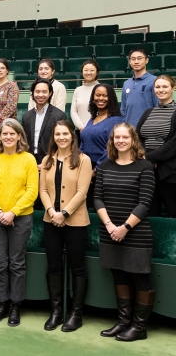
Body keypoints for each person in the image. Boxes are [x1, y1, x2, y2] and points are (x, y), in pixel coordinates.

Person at [95, 123, 156, 342]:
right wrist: (111, 226)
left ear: (133, 140)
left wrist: (125, 228)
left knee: (141, 279)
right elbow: (98, 198)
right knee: (119, 276)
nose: (120, 141)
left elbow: (145, 202)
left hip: (136, 234)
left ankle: (139, 327)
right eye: (116, 137)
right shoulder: (104, 166)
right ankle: (123, 322)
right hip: (110, 232)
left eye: (125, 137)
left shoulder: (145, 166)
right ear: (112, 141)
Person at [0, 119, 39, 327]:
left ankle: (16, 305)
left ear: (19, 136)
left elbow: (32, 191)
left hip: (21, 218)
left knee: (16, 263)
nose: (8, 137)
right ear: (0, 137)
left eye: (12, 134)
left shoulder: (29, 159)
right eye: (4, 134)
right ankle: (2, 303)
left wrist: (12, 213)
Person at [38, 121, 92, 332]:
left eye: (65, 134)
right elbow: (43, 190)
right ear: (54, 137)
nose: (61, 137)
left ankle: (76, 314)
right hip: (50, 221)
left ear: (72, 135)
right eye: (57, 134)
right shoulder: (47, 160)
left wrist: (65, 213)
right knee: (53, 266)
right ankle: (56, 311)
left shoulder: (83, 160)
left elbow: (82, 192)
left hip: (76, 222)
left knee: (77, 267)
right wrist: (52, 212)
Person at [136, 74, 176, 217]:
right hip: (148, 171)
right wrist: (146, 157)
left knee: (173, 212)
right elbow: (138, 137)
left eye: (165, 86)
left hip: (170, 171)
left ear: (173, 88)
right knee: (151, 213)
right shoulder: (148, 112)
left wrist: (150, 157)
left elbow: (173, 144)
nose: (161, 90)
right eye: (157, 87)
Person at [79, 84, 124, 207]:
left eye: (105, 95)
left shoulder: (116, 120)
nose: (101, 98)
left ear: (112, 98)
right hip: (86, 168)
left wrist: (96, 170)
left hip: (104, 170)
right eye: (98, 95)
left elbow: (111, 147)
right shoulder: (92, 119)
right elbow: (83, 142)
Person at [22, 78, 67, 166]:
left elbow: (62, 142)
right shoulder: (26, 116)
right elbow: (23, 140)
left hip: (51, 161)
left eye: (44, 92)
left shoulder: (59, 115)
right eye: (37, 91)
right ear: (33, 93)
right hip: (29, 161)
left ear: (50, 93)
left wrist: (50, 160)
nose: (40, 95)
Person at [121, 49, 158, 126]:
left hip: (148, 129)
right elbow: (123, 109)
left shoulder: (155, 81)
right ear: (129, 62)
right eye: (133, 59)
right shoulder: (126, 83)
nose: (136, 61)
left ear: (146, 60)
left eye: (140, 58)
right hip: (129, 130)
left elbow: (157, 107)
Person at [70, 60, 100, 131]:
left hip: (98, 130)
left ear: (97, 72)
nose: (88, 73)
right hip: (80, 131)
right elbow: (73, 111)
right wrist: (81, 127)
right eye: (86, 70)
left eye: (92, 70)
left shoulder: (102, 88)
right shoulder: (78, 90)